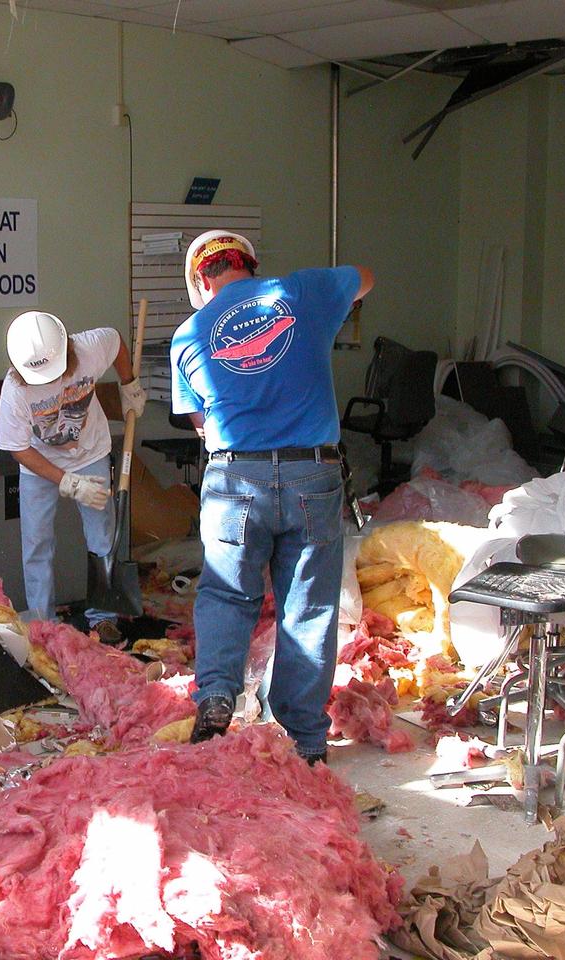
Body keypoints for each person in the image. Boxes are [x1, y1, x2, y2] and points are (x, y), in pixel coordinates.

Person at [170, 230, 374, 761]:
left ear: (201, 280)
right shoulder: (302, 292)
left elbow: (201, 422)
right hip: (312, 474)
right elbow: (365, 279)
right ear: (251, 266)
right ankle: (307, 739)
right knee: (307, 607)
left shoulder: (189, 334)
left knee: (226, 594)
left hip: (235, 479)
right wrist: (331, 301)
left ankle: (216, 692)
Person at [0, 310, 147, 633]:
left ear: (66, 350)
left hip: (90, 451)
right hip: (39, 464)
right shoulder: (15, 391)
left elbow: (117, 342)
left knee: (102, 534)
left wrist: (129, 385)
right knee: (37, 542)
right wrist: (66, 481)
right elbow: (17, 448)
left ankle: (103, 617)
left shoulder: (88, 348)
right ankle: (42, 623)